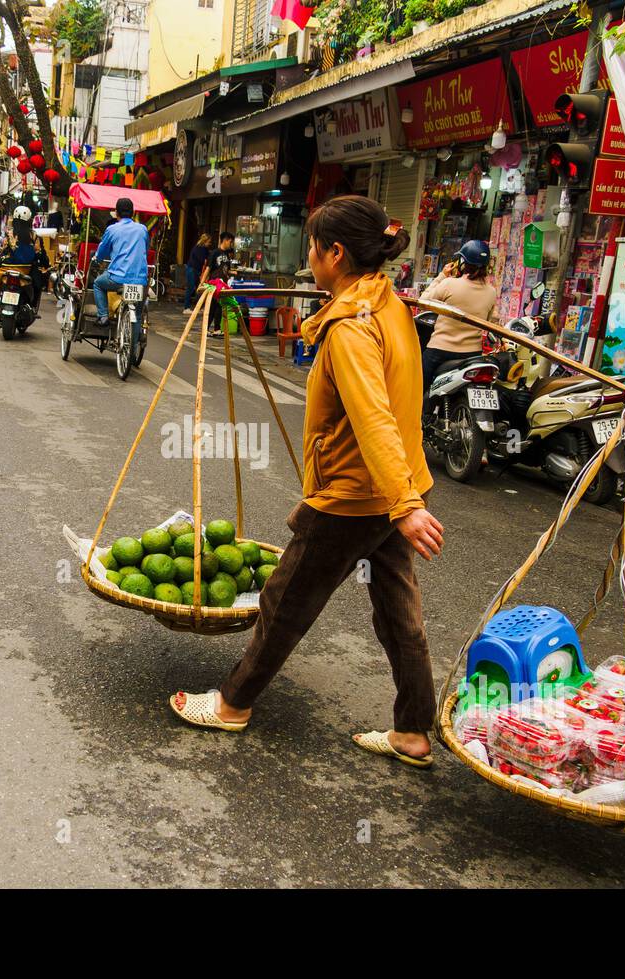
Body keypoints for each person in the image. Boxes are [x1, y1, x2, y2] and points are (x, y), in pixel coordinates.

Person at [169, 195, 444, 768]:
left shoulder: (349, 329)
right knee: (398, 610)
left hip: (354, 493)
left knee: (285, 599)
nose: (310, 259)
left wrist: (405, 503)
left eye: (314, 248)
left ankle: (231, 703)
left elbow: (373, 417)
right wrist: (404, 499)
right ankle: (416, 730)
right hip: (388, 493)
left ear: (336, 253)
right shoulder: (389, 304)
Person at [418, 240, 498, 393]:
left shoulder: (449, 284)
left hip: (440, 351)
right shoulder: (491, 292)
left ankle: (423, 414)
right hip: (472, 354)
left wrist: (441, 276)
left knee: (419, 388)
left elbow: (423, 301)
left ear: (463, 263)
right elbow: (487, 320)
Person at [91, 196, 150, 344]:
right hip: (140, 281)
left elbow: (102, 252)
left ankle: (103, 316)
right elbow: (146, 248)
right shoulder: (142, 229)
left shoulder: (112, 229)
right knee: (136, 312)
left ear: (116, 213)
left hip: (117, 279)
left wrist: (97, 258)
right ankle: (134, 344)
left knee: (98, 283)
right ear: (133, 212)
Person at [204, 231, 237, 335]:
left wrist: (232, 272)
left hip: (223, 283)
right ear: (225, 240)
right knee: (213, 306)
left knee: (219, 306)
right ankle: (208, 328)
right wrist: (202, 282)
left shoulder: (227, 255)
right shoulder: (214, 253)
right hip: (214, 282)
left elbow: (225, 269)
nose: (230, 244)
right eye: (230, 242)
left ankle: (216, 329)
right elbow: (208, 268)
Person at [183, 233, 212, 313]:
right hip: (192, 269)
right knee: (191, 288)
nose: (209, 244)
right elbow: (203, 260)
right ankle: (186, 308)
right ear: (204, 241)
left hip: (196, 270)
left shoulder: (204, 249)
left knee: (199, 289)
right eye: (208, 242)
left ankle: (199, 307)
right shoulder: (198, 248)